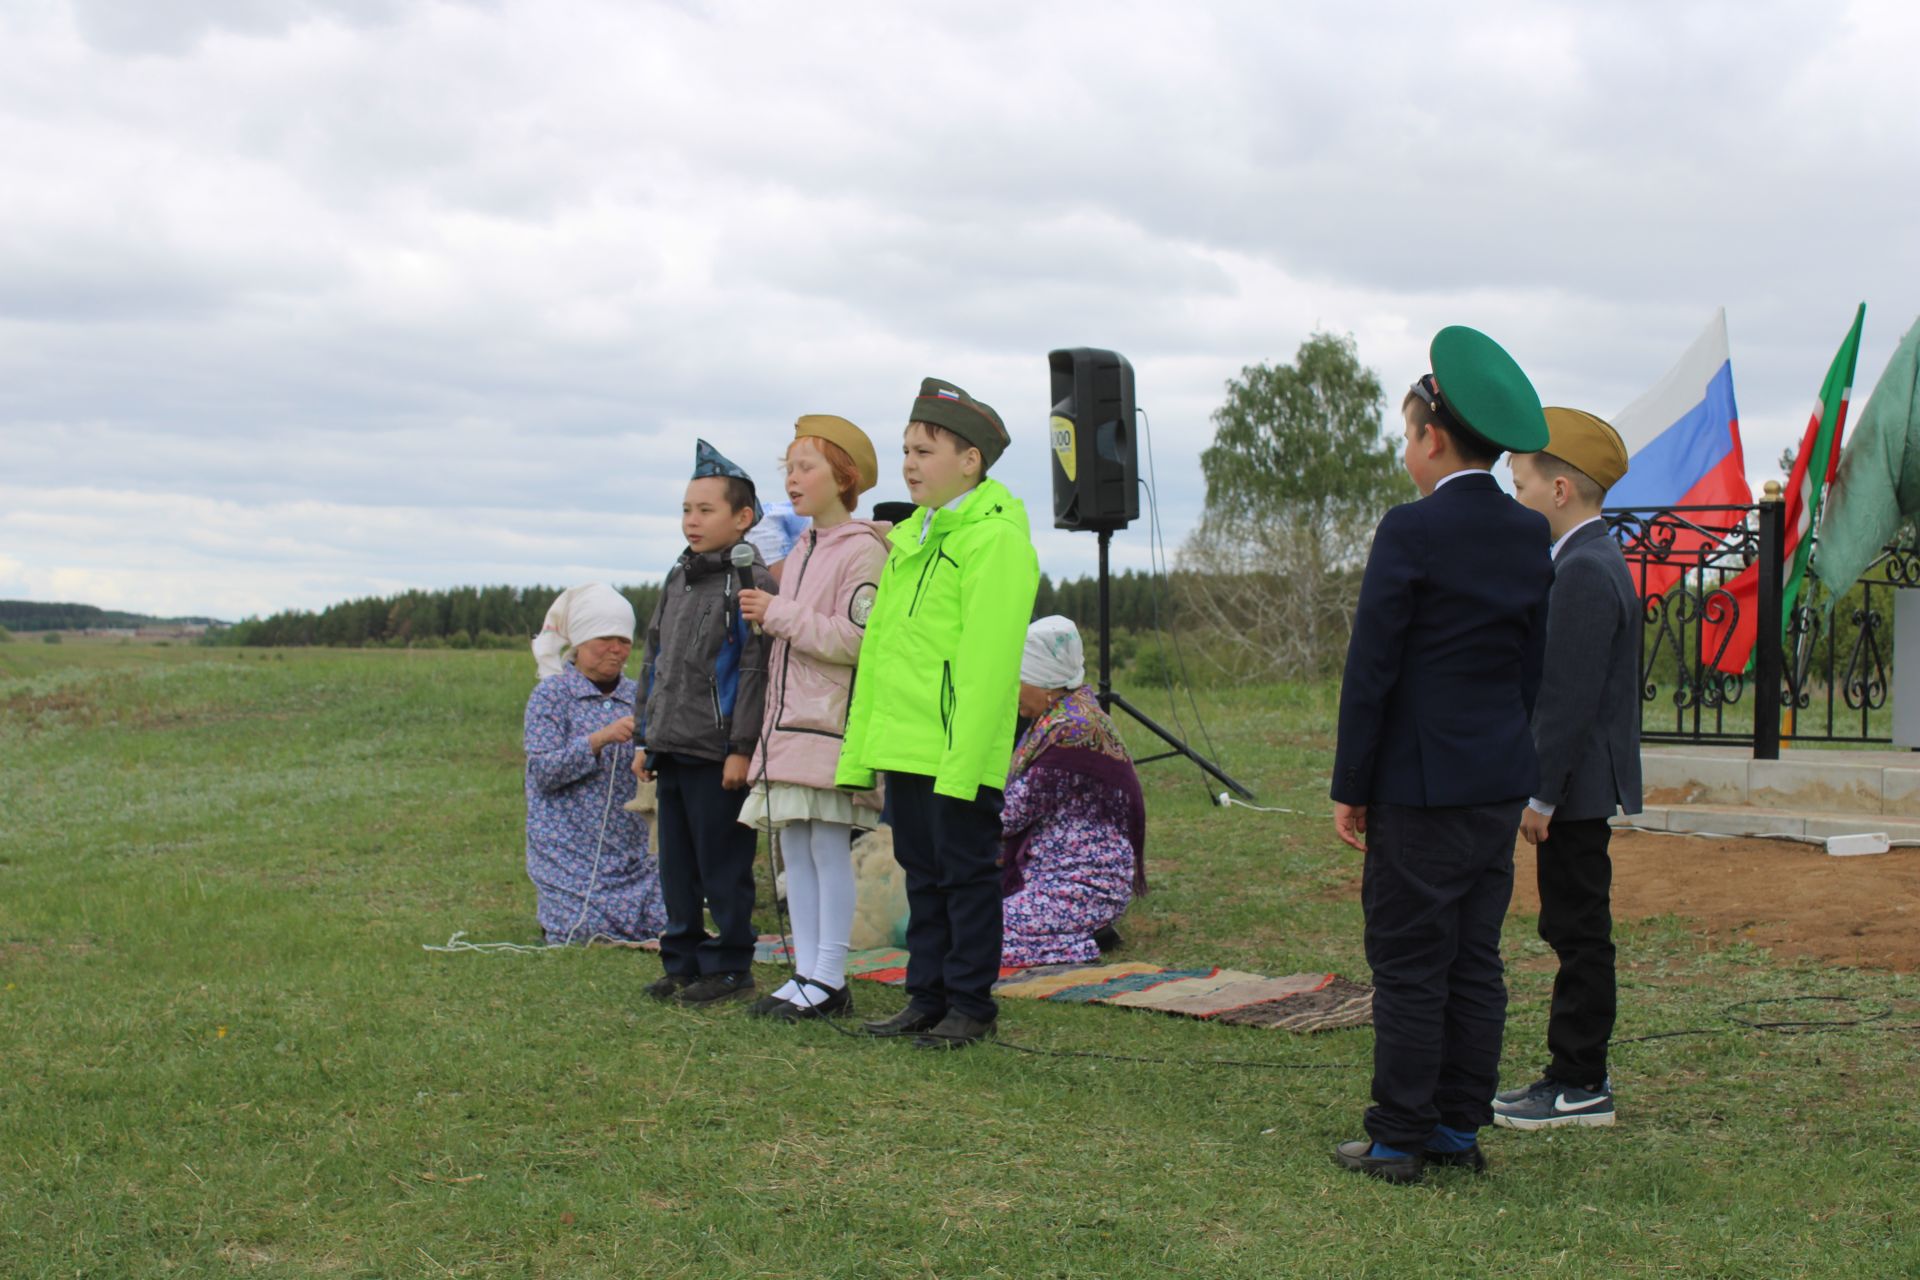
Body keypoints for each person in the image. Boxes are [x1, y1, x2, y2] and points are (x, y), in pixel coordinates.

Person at [1328, 326, 1553, 1184]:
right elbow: (1528, 668)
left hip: (1417, 789)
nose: (1405, 449)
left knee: (1410, 963)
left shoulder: (1411, 530)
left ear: (1430, 436)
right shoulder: (1529, 533)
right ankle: (1458, 1129)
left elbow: (1372, 669)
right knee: (1473, 960)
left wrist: (1352, 785)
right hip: (1494, 781)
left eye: (1407, 432)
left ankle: (1396, 1139)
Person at [835, 377, 1039, 1050]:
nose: (909, 464)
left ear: (970, 460)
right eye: (906, 450)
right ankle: (926, 997)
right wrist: (866, 747)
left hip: (957, 748)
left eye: (924, 450)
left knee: (966, 875)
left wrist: (965, 759)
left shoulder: (994, 540)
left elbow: (984, 665)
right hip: (907, 742)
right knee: (921, 876)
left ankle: (970, 1005)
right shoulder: (912, 542)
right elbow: (884, 656)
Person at [1495, 407, 1642, 1130]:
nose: (1517, 496)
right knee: (1573, 925)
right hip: (1580, 786)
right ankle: (1577, 1074)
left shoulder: (1583, 568)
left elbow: (1567, 699)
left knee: (1578, 930)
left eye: (1522, 484)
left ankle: (1579, 1082)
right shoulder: (1590, 558)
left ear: (1560, 492)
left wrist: (1541, 795)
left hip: (1575, 789)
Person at [735, 415, 892, 1021]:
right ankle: (805, 973)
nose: (793, 479)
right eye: (789, 468)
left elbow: (858, 640)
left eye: (807, 467)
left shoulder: (863, 550)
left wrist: (778, 614)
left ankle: (829, 978)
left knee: (827, 846)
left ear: (844, 477)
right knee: (794, 848)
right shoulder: (802, 547)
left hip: (831, 725)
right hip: (790, 724)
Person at [637, 440, 776, 1006]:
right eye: (687, 510)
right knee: (678, 866)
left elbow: (754, 668)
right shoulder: (679, 577)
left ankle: (730, 966)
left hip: (719, 752)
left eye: (706, 510)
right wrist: (646, 735)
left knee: (724, 865)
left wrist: (741, 747)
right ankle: (684, 959)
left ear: (742, 519)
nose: (692, 521)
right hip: (671, 744)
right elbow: (654, 656)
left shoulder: (751, 585)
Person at [523, 583, 667, 945]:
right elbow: (543, 773)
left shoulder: (640, 696)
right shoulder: (552, 696)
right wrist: (598, 740)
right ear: (581, 641)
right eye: (605, 639)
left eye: (624, 640)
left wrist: (652, 754)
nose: (617, 650)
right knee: (580, 929)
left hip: (630, 853)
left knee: (662, 921)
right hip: (566, 850)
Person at [999, 617, 1147, 967]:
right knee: (956, 915)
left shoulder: (1071, 731)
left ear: (1046, 681)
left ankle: (1083, 944)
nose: (1014, 689)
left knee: (972, 936)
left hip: (1083, 883)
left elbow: (1009, 815)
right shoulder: (1058, 717)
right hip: (1051, 871)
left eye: (1020, 680)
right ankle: (1081, 932)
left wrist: (953, 808)